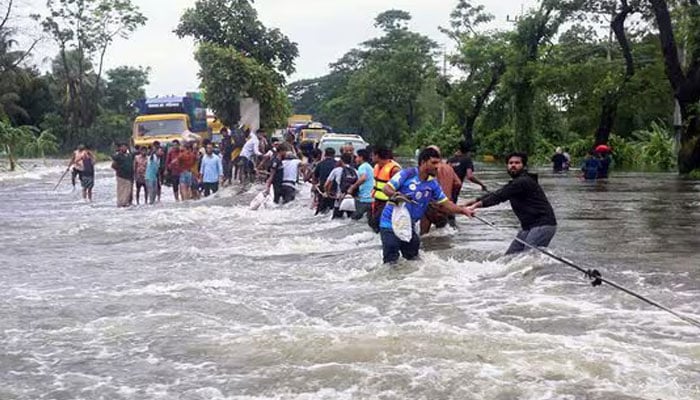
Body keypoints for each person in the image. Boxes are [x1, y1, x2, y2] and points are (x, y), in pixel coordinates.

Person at [379, 147, 475, 264]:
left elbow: (446, 204)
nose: (438, 166)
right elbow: (386, 188)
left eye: (439, 163)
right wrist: (396, 195)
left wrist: (463, 211)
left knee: (414, 260)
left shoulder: (432, 184)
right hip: (389, 224)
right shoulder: (407, 174)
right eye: (434, 163)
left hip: (408, 226)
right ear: (423, 162)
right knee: (391, 262)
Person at [466, 152, 557, 255]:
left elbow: (498, 197)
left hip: (542, 224)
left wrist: (474, 207)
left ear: (524, 166)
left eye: (517, 163)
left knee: (529, 257)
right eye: (510, 163)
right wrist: (466, 205)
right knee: (509, 257)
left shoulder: (523, 181)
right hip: (528, 227)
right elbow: (498, 193)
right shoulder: (516, 183)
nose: (513, 165)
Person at [421, 146, 462, 235]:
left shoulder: (430, 169)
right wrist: (452, 196)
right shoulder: (449, 168)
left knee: (424, 236)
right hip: (447, 205)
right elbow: (458, 183)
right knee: (445, 235)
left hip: (433, 206)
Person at [369, 147, 401, 233]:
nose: (371, 157)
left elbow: (401, 187)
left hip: (388, 201)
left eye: (372, 155)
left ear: (377, 156)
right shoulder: (376, 166)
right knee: (372, 222)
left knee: (379, 222)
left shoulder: (394, 169)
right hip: (377, 200)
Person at [325, 153, 358, 219]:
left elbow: (326, 184)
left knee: (336, 219)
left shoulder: (336, 170)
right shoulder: (355, 171)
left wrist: (327, 193)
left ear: (341, 160)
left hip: (339, 198)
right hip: (351, 199)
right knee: (351, 219)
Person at [347, 149, 374, 221]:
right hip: (372, 197)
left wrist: (353, 187)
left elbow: (363, 178)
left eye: (357, 157)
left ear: (361, 157)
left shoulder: (362, 167)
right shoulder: (369, 166)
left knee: (354, 219)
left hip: (364, 198)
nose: (355, 159)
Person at [312, 147, 338, 215]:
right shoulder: (337, 164)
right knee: (332, 211)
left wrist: (315, 186)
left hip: (322, 191)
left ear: (325, 154)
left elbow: (314, 178)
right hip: (334, 191)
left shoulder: (320, 164)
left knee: (320, 212)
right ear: (334, 155)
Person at [111, 142, 134, 207]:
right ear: (120, 148)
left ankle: (126, 203)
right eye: (122, 147)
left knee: (128, 190)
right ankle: (121, 203)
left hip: (129, 176)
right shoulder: (118, 156)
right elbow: (113, 165)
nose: (124, 148)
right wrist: (119, 170)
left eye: (125, 147)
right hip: (121, 176)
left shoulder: (129, 156)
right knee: (121, 190)